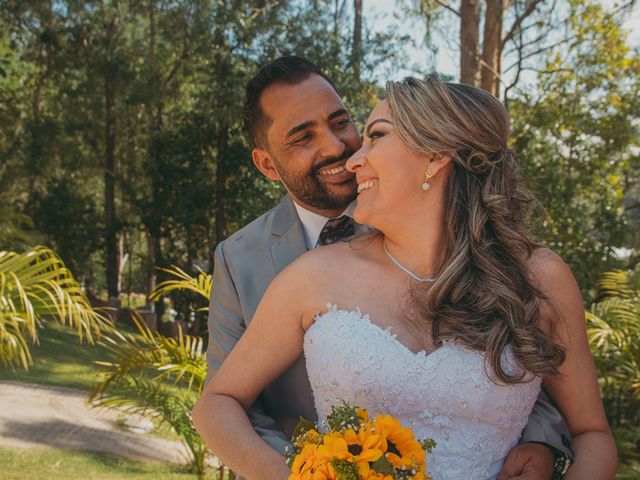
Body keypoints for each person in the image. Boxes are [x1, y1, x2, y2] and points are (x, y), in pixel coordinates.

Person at [196, 56, 585, 478]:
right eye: (302, 137)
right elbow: (223, 400)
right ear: (267, 164)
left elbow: (533, 373)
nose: (341, 152)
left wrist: (543, 444)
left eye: (342, 123)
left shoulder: (529, 273)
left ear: (435, 155)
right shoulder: (247, 261)